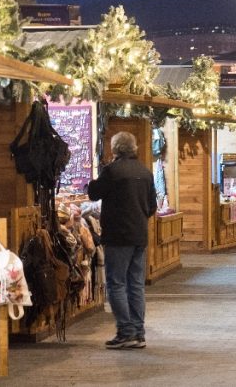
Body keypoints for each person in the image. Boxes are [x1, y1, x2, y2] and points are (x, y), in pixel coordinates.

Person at [86, 131, 157, 349]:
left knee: (116, 284)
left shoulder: (112, 171)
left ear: (115, 148)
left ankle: (126, 331)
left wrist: (93, 179)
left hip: (118, 236)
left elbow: (93, 194)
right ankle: (138, 332)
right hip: (139, 235)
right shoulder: (145, 172)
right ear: (134, 147)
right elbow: (152, 206)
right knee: (136, 285)